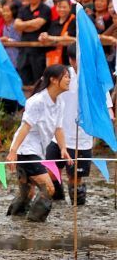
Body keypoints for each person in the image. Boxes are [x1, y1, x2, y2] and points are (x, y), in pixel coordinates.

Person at [45, 49, 113, 205]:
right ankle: (57, 204)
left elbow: (106, 106)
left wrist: (108, 119)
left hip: (81, 138)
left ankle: (78, 208)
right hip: (57, 135)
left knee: (75, 178)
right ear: (71, 60)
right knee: (52, 173)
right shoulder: (62, 76)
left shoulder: (94, 78)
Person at [6, 65, 72, 222]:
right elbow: (25, 127)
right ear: (53, 80)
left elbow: (58, 128)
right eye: (66, 76)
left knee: (27, 193)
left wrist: (63, 148)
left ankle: (13, 221)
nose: (69, 80)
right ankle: (34, 223)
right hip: (26, 150)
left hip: (36, 151)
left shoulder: (60, 102)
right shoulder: (37, 101)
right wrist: (13, 151)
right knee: (48, 188)